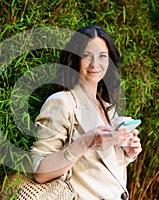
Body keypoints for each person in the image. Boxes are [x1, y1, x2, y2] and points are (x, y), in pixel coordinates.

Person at [30, 25, 142, 200]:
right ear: (74, 59)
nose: (95, 64)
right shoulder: (62, 102)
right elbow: (40, 172)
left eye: (102, 56)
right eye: (86, 55)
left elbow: (103, 168)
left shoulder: (107, 108)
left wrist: (127, 153)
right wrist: (84, 142)